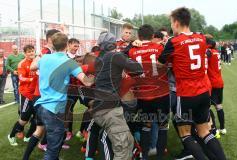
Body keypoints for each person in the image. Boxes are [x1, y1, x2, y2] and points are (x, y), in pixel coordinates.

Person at [158, 7, 226, 160]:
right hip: (203, 91)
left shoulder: (173, 42)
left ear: (176, 23)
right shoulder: (201, 37)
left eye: (171, 22)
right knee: (204, 132)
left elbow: (161, 62)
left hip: (186, 93)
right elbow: (208, 47)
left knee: (185, 134)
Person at [30, 32, 94, 160]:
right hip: (55, 110)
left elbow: (32, 67)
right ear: (66, 46)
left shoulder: (45, 58)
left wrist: (38, 57)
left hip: (42, 107)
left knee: (56, 140)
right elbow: (87, 82)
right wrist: (95, 77)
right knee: (52, 149)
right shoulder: (69, 62)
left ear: (52, 45)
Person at [91, 31, 143, 160]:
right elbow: (138, 69)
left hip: (101, 107)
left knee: (129, 142)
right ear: (113, 44)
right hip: (110, 110)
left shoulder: (99, 59)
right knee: (122, 149)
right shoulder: (115, 56)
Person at [128, 24, 170, 160]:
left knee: (146, 126)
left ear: (139, 36)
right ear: (153, 36)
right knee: (163, 126)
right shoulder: (159, 48)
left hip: (143, 95)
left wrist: (132, 43)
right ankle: (159, 157)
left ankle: (144, 156)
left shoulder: (132, 51)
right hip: (161, 93)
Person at [8, 45, 37, 146]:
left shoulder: (37, 61)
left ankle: (28, 136)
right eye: (29, 51)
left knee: (38, 117)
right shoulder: (22, 64)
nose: (31, 53)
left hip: (36, 94)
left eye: (32, 51)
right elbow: (21, 78)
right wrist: (32, 79)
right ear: (24, 53)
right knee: (24, 118)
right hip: (26, 94)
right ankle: (11, 135)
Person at [207, 38, 226, 135]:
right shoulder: (216, 52)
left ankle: (214, 129)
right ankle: (222, 128)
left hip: (212, 83)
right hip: (219, 82)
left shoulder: (209, 52)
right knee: (219, 106)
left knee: (207, 106)